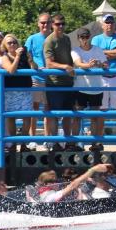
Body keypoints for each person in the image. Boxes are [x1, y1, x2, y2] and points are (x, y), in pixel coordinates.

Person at [42, 14, 79, 149]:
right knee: (55, 115)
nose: (61, 26)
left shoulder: (67, 39)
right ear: (52, 25)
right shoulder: (49, 41)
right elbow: (49, 63)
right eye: (58, 24)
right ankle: (56, 142)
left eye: (63, 23)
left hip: (68, 82)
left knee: (68, 114)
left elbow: (70, 58)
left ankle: (68, 142)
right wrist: (65, 67)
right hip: (54, 83)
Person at [93, 15, 116, 147]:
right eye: (107, 22)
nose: (109, 24)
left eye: (111, 22)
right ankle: (98, 141)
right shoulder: (96, 39)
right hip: (101, 78)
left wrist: (104, 53)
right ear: (102, 25)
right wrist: (111, 53)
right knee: (101, 111)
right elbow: (95, 55)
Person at [0, 34, 35, 149]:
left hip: (25, 89)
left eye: (14, 42)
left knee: (27, 117)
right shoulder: (5, 57)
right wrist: (17, 56)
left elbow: (35, 68)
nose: (12, 44)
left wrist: (30, 59)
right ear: (5, 45)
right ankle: (13, 143)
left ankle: (23, 143)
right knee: (11, 117)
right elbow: (11, 70)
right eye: (9, 43)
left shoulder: (24, 55)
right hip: (10, 90)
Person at [71, 28, 108, 150]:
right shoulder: (75, 50)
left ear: (90, 37)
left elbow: (105, 65)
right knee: (77, 116)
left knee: (95, 117)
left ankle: (94, 144)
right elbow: (78, 63)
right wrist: (89, 65)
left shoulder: (97, 49)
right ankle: (75, 144)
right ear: (78, 39)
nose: (85, 40)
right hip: (80, 88)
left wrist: (99, 64)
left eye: (86, 37)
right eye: (82, 37)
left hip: (96, 88)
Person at [26, 13, 52, 136]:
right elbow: (26, 55)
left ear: (51, 23)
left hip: (52, 79)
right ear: (38, 24)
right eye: (42, 22)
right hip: (36, 78)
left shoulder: (55, 38)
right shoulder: (32, 38)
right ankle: (32, 138)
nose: (45, 25)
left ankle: (48, 139)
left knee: (48, 109)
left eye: (47, 22)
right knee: (34, 109)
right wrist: (32, 64)